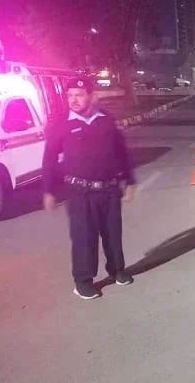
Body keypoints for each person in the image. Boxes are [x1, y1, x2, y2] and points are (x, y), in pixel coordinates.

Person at [42, 77, 136, 300]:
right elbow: (49, 159)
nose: (74, 100)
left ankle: (117, 270)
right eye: (70, 96)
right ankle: (83, 281)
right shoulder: (62, 124)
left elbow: (121, 151)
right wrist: (49, 190)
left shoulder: (105, 121)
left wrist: (129, 180)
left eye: (79, 95)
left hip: (109, 189)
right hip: (79, 192)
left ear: (91, 97)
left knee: (113, 233)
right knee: (84, 237)